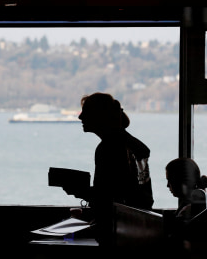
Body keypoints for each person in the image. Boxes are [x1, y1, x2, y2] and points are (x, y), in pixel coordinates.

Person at [62, 92, 153, 247]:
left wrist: (80, 191)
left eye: (86, 112)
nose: (80, 117)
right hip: (133, 229)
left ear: (99, 116)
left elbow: (111, 194)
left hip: (116, 231)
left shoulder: (109, 148)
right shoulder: (130, 144)